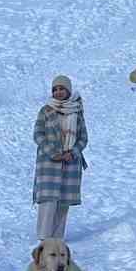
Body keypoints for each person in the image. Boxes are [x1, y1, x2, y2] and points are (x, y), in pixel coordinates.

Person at [33, 75, 88, 240]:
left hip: (70, 163)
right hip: (48, 163)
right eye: (55, 89)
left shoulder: (77, 112)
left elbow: (83, 138)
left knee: (63, 202)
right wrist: (53, 152)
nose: (58, 92)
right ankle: (44, 237)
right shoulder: (46, 110)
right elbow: (37, 134)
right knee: (48, 200)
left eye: (61, 89)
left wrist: (73, 153)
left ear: (68, 91)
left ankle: (57, 238)